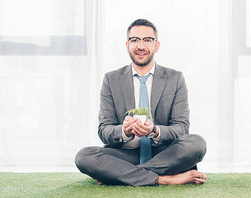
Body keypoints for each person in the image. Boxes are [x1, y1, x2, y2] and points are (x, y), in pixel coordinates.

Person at [75, 19, 207, 186]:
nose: (141, 46)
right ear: (127, 45)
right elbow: (104, 130)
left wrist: (155, 130)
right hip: (125, 156)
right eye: (135, 40)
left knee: (197, 143)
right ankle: (163, 179)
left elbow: (181, 128)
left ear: (156, 46)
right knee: (84, 156)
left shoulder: (175, 78)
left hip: (165, 155)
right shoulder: (111, 79)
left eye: (147, 40)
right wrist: (124, 131)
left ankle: (122, 175)